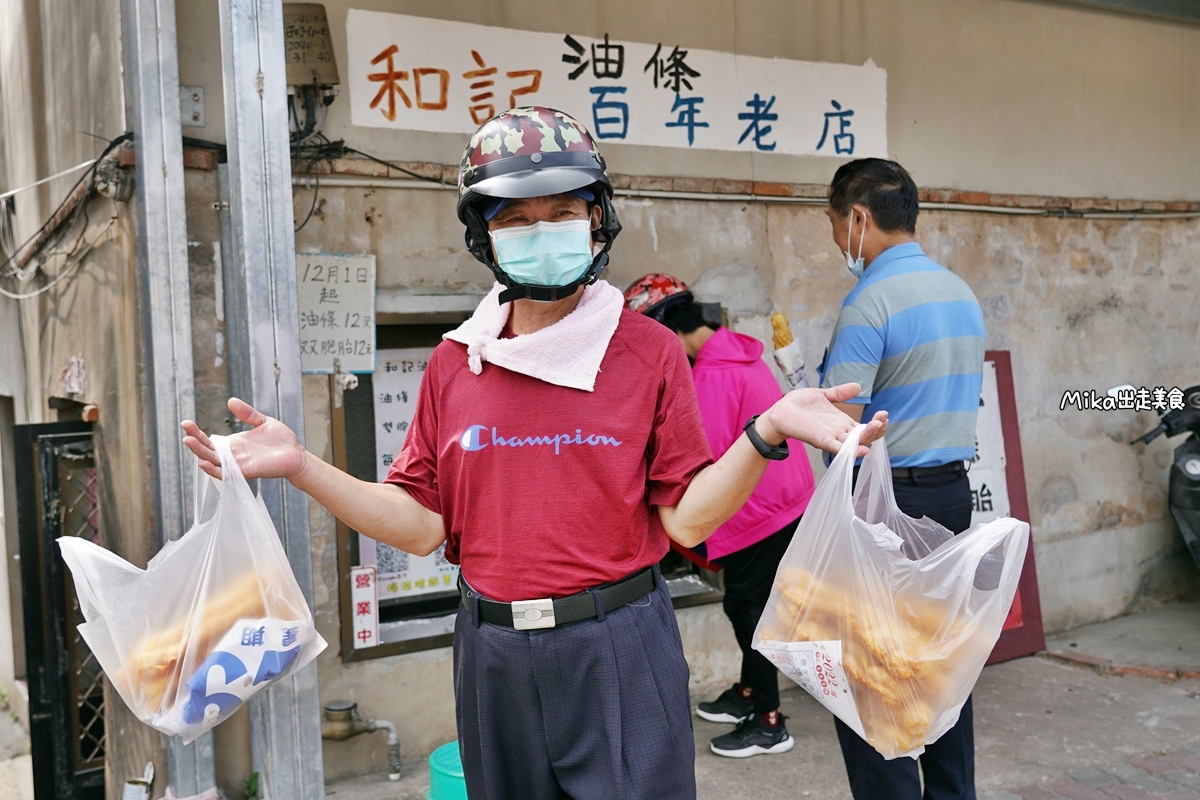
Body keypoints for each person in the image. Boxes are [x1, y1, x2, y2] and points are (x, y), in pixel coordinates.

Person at [182, 107, 887, 800]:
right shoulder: (456, 363)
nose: (539, 232)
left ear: (598, 219)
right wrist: (303, 465)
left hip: (618, 646)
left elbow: (688, 523)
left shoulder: (648, 351)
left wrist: (766, 431)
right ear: (483, 238)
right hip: (493, 655)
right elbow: (424, 523)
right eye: (513, 219)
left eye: (560, 212)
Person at [818, 157, 986, 800]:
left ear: (858, 217)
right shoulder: (959, 293)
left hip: (883, 504)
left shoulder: (870, 302)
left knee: (871, 674)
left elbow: (846, 431)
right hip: (949, 497)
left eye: (836, 226)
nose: (839, 243)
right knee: (940, 659)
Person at [625, 274, 815, 759]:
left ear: (666, 327)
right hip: (787, 498)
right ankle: (749, 693)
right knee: (748, 602)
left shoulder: (710, 376)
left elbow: (698, 462)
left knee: (749, 609)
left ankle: (769, 721)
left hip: (758, 512)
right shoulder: (739, 351)